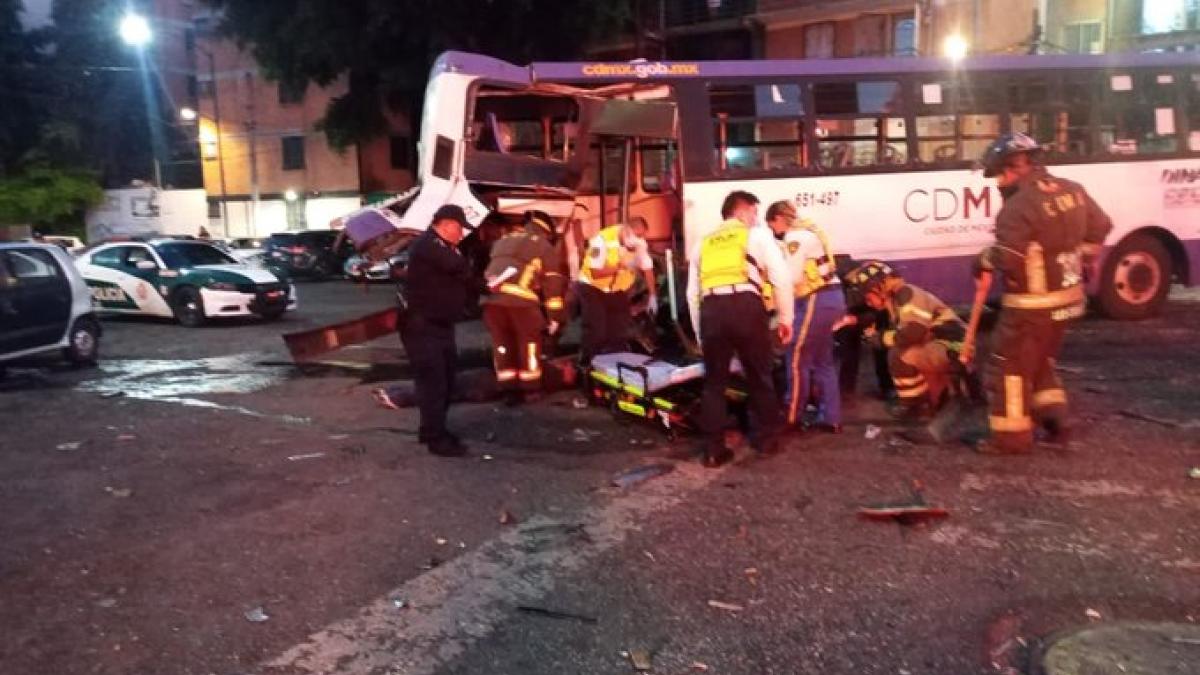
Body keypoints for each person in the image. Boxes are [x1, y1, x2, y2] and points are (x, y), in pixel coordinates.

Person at [971, 132, 1112, 454]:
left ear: (1014, 167)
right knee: (1039, 361)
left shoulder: (1018, 207)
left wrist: (981, 260)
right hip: (1068, 300)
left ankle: (1011, 439)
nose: (998, 183)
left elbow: (1008, 257)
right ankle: (1055, 420)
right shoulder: (1072, 190)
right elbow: (1100, 225)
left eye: (999, 174)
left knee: (1008, 366)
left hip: (1031, 306)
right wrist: (1086, 258)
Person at [686, 191, 794, 467]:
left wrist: (701, 334)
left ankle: (713, 450)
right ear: (743, 211)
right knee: (759, 375)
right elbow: (781, 277)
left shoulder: (703, 243)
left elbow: (692, 294)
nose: (756, 219)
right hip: (745, 306)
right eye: (755, 213)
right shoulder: (756, 236)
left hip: (712, 310)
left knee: (714, 384)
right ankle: (767, 440)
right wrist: (786, 319)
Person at [383, 204, 473, 457]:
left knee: (441, 380)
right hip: (423, 327)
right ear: (445, 224)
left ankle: (431, 429)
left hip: (436, 324)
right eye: (458, 228)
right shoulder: (429, 245)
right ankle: (437, 439)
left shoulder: (437, 246)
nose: (461, 234)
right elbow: (460, 267)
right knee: (435, 382)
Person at [845, 261, 978, 417]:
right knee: (902, 351)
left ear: (878, 287)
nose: (869, 303)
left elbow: (913, 333)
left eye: (868, 298)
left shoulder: (905, 294)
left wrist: (881, 338)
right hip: (946, 346)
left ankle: (915, 405)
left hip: (953, 348)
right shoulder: (897, 299)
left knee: (899, 355)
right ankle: (929, 400)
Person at [766, 201, 844, 433]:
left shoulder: (795, 237)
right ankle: (832, 418)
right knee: (823, 361)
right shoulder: (811, 231)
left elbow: (791, 277)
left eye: (774, 227)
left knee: (796, 359)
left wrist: (771, 302)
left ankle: (792, 417)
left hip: (814, 300)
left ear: (780, 218)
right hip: (833, 297)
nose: (775, 233)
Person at [481, 211, 567, 405]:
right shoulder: (542, 245)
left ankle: (508, 389)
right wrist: (555, 317)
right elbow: (553, 283)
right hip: (520, 304)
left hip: (491, 302)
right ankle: (530, 390)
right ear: (547, 231)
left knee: (502, 345)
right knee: (528, 346)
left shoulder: (503, 240)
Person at [576, 216, 656, 365]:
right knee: (596, 329)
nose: (640, 239)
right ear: (626, 231)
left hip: (617, 290)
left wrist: (653, 295)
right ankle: (587, 364)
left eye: (642, 235)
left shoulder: (639, 243)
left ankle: (616, 365)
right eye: (637, 235)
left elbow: (648, 268)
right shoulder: (600, 241)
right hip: (592, 287)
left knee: (619, 330)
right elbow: (595, 272)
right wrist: (621, 266)